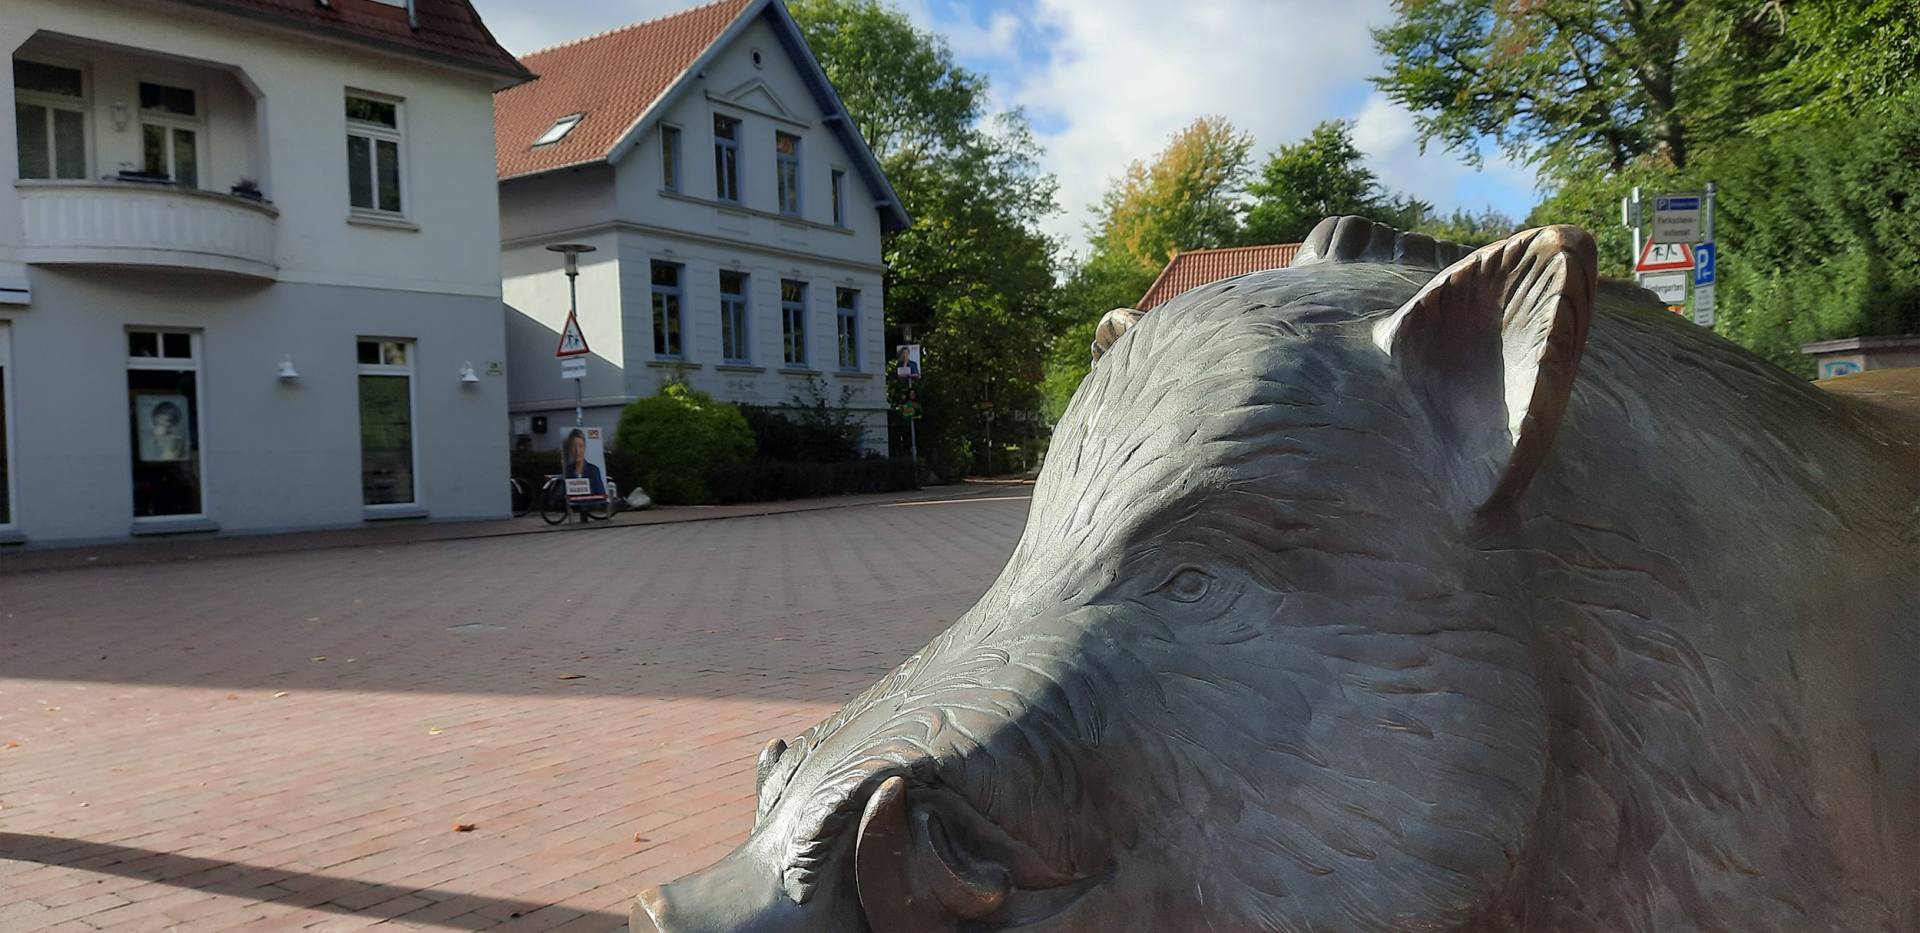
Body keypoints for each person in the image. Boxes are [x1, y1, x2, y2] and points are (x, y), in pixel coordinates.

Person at [562, 428, 606, 500]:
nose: (577, 451)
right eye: (573, 446)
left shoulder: (594, 470)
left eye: (580, 446)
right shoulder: (567, 470)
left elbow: (601, 495)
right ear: (570, 448)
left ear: (584, 448)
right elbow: (563, 495)